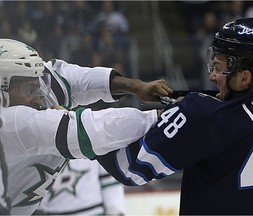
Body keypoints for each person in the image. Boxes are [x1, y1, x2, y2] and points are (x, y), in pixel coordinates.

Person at [95, 17, 253, 214]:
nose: (212, 75)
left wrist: (86, 128)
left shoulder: (204, 116)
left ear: (244, 78)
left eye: (220, 68)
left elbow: (127, 168)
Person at [0, 38, 173, 215]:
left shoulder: (26, 94)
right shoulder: (9, 124)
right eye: (30, 90)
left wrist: (136, 86)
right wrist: (161, 116)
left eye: (37, 86)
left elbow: (75, 80)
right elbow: (90, 130)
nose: (39, 97)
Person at [37, 159, 125, 215]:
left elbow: (110, 184)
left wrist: (115, 212)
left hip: (92, 211)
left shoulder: (95, 137)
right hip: (52, 211)